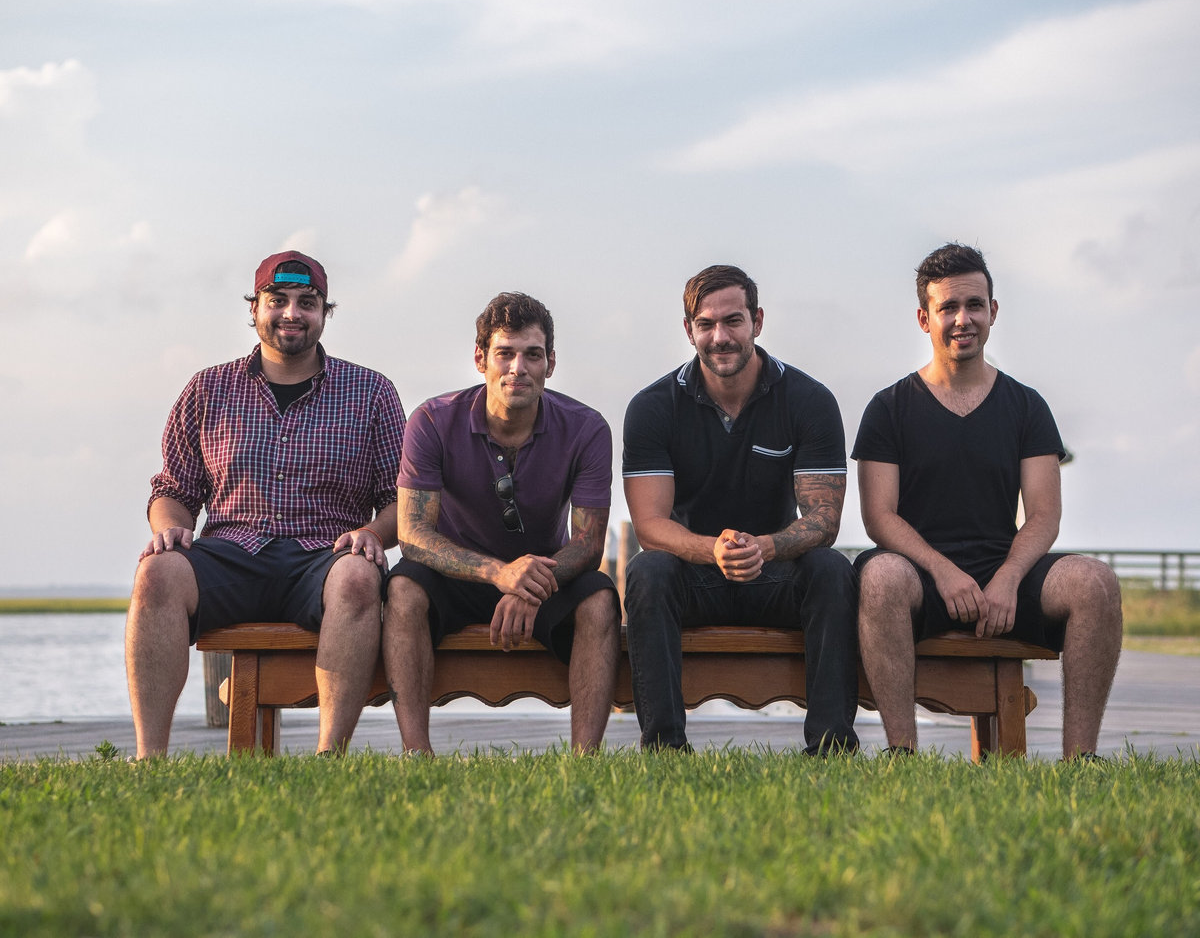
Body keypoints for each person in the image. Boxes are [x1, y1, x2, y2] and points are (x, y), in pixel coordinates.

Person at [126, 251, 406, 758]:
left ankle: (329, 756)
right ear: (254, 309)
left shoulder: (372, 393)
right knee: (156, 572)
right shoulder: (208, 389)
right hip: (232, 556)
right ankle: (149, 760)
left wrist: (372, 534)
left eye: (307, 302)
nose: (291, 313)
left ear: (325, 314)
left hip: (325, 557)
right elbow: (173, 488)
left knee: (360, 576)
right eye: (277, 300)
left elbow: (398, 499)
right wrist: (170, 527)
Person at [852, 242, 1122, 759]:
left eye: (974, 305)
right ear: (924, 318)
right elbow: (878, 517)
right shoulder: (888, 408)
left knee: (1095, 582)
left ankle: (1081, 760)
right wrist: (943, 571)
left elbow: (1044, 514)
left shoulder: (1027, 405)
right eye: (948, 307)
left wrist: (1009, 578)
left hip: (1003, 575)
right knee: (880, 576)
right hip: (920, 577)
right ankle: (901, 753)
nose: (963, 319)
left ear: (993, 312)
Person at [622, 264, 860, 753]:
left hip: (774, 574)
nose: (720, 337)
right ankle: (664, 750)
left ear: (758, 321)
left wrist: (765, 548)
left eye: (733, 320)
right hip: (694, 576)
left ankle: (831, 748)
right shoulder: (652, 407)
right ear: (688, 330)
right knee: (647, 570)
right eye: (706, 324)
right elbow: (650, 526)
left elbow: (824, 520)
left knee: (832, 569)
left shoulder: (810, 400)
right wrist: (715, 549)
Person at [383, 292, 620, 754]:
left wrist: (528, 585)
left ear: (551, 363)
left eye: (533, 355)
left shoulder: (587, 428)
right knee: (403, 587)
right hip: (456, 577)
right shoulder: (431, 420)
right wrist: (499, 573)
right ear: (480, 359)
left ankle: (586, 760)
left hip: (543, 578)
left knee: (600, 598)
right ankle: (416, 754)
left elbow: (589, 543)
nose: (518, 368)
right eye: (505, 354)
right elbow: (412, 535)